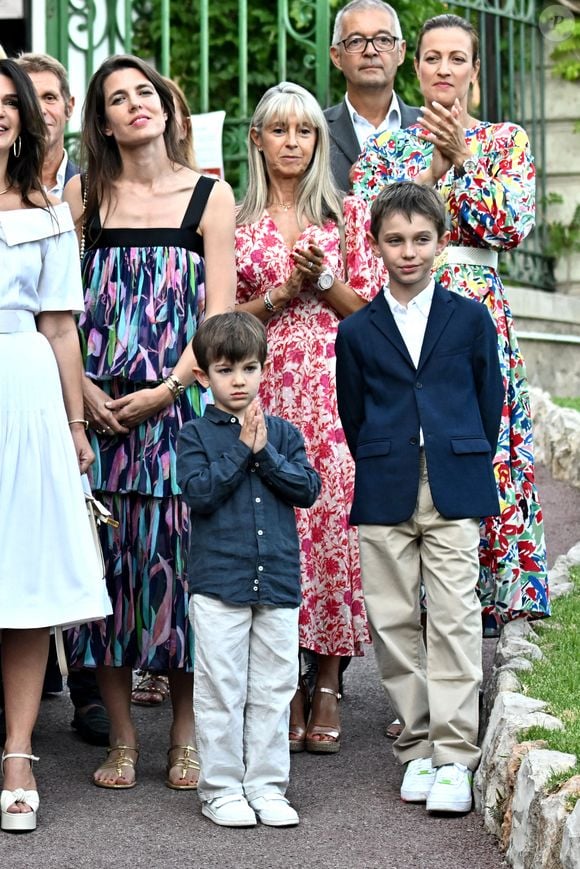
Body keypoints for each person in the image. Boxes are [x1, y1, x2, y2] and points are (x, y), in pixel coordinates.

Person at [64, 54, 236, 790]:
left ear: (167, 106)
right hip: (98, 414)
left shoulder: (210, 196)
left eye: (146, 92)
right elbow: (60, 312)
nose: (136, 104)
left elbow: (220, 319)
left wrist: (166, 392)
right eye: (117, 98)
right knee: (105, 576)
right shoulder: (82, 195)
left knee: (178, 575)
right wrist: (87, 398)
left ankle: (185, 737)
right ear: (101, 121)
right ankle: (125, 739)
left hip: (177, 411)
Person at [351, 13, 549, 635]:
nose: (443, 70)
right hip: (407, 316)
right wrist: (434, 170)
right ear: (418, 69)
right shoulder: (388, 148)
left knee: (482, 445)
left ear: (473, 71)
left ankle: (496, 613)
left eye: (456, 59)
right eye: (432, 58)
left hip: (477, 315)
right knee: (417, 454)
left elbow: (511, 225)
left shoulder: (505, 140)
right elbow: (369, 222)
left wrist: (464, 158)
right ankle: (421, 636)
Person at [336, 181, 504, 813]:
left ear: (440, 242)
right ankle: (418, 745)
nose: (408, 252)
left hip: (453, 478)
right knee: (392, 615)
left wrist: (457, 450)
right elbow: (354, 413)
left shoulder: (469, 317)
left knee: (456, 616)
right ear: (376, 244)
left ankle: (456, 757)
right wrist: (387, 451)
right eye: (395, 240)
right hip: (385, 479)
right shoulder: (357, 331)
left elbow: (487, 400)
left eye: (421, 240)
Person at [235, 81, 385, 755]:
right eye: (279, 130)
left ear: (318, 142)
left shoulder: (348, 216)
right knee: (277, 530)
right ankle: (286, 681)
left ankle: (326, 680)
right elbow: (223, 321)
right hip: (263, 389)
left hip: (332, 390)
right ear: (257, 141)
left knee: (329, 528)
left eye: (304, 131)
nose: (293, 141)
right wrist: (282, 292)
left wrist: (322, 281)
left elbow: (374, 315)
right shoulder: (236, 221)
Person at [0, 58, 111, 833]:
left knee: (26, 569)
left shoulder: (44, 211)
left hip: (25, 392)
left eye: (9, 101)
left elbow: (62, 327)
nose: (0, 111)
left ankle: (16, 751)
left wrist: (76, 426)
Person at [177, 312, 320, 828]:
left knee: (274, 686)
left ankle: (266, 786)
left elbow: (307, 489)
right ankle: (219, 788)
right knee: (220, 687)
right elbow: (199, 493)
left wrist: (266, 456)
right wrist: (242, 452)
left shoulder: (282, 434)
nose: (238, 380)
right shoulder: (194, 435)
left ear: (264, 369)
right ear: (203, 377)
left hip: (278, 581)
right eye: (225, 370)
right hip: (220, 584)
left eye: (249, 368)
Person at [324, 0, 420, 191]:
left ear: (401, 52)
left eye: (383, 40)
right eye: (356, 41)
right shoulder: (315, 130)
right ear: (336, 56)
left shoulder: (430, 128)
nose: (370, 51)